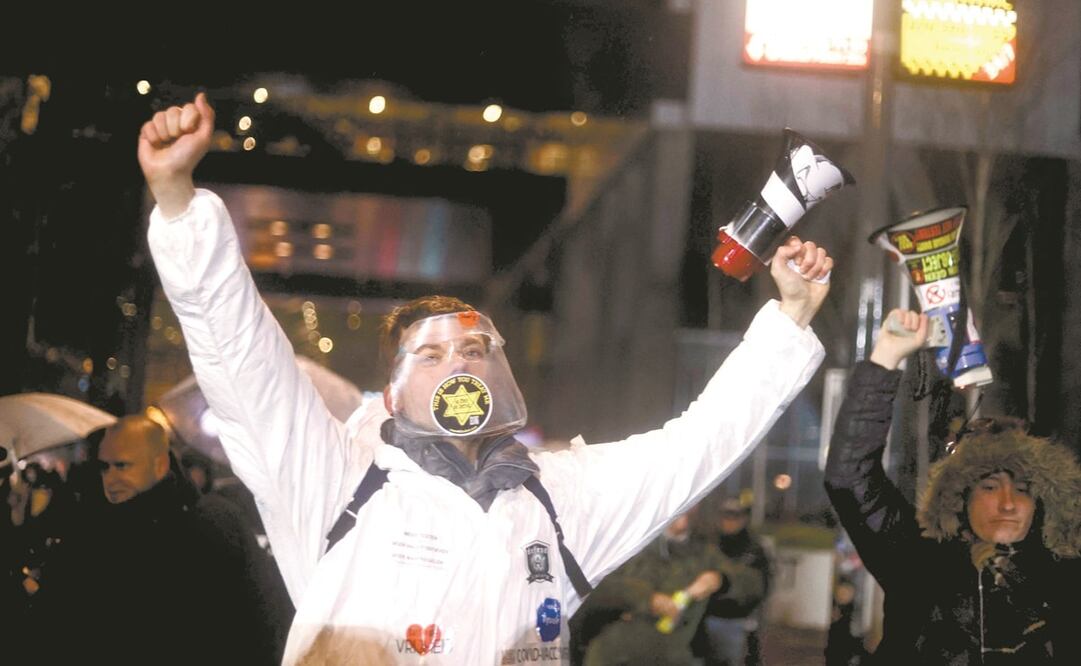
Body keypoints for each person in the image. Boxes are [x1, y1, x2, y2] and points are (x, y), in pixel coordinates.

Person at [139, 92, 833, 665]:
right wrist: (178, 204)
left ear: (499, 369)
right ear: (392, 392)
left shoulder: (558, 499)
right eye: (431, 356)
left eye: (473, 349)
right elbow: (242, 362)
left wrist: (789, 319)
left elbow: (697, 446)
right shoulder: (335, 476)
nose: (457, 364)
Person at [824, 308, 1081, 664]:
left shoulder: (1064, 577)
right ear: (959, 498)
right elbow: (850, 476)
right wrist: (886, 358)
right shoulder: (917, 559)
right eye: (990, 488)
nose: (1008, 503)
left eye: (1023, 489)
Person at [39, 415, 289, 665]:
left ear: (159, 465)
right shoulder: (89, 533)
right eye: (104, 467)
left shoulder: (213, 523)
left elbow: (263, 620)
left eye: (123, 465)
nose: (111, 477)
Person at [575, 509, 761, 666]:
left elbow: (753, 583)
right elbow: (590, 587)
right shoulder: (629, 543)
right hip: (616, 655)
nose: (685, 509)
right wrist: (646, 598)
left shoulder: (703, 552)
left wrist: (722, 580)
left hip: (678, 656)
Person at [698, 497, 772, 666]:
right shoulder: (709, 545)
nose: (730, 521)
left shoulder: (755, 548)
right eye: (726, 516)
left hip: (737, 621)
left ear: (743, 518)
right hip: (707, 617)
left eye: (735, 516)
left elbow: (763, 585)